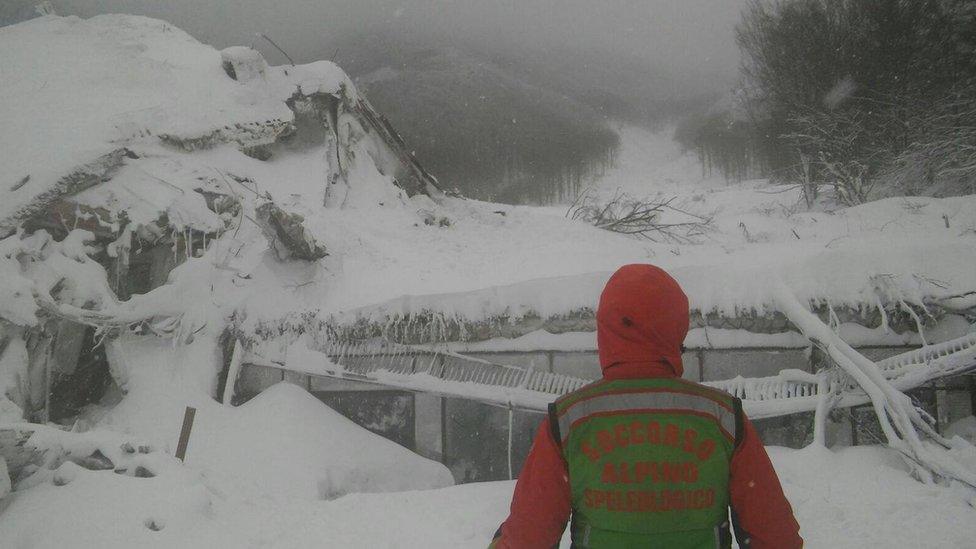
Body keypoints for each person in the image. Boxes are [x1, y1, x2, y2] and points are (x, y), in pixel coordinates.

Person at [489, 264, 802, 548]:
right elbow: (777, 537)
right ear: (675, 327)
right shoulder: (722, 417)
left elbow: (527, 539)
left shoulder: (570, 419)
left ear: (606, 330)